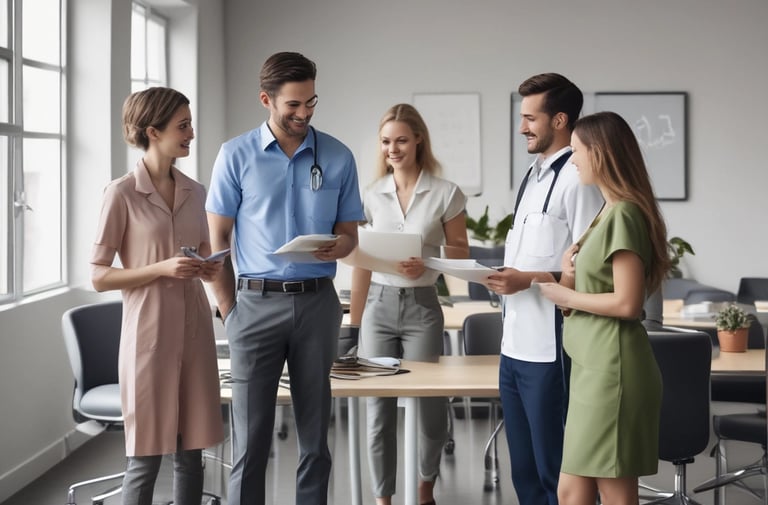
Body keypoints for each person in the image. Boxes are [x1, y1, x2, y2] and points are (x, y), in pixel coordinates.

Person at [205, 51, 364, 505]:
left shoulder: (338, 155)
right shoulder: (235, 155)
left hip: (317, 304)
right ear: (266, 100)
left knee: (315, 437)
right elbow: (217, 241)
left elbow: (350, 236)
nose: (304, 113)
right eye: (293, 105)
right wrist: (230, 311)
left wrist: (339, 246)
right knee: (250, 439)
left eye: (311, 102)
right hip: (253, 306)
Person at [90, 87, 224, 505]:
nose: (191, 134)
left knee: (191, 455)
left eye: (190, 125)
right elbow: (98, 276)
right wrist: (160, 269)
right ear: (153, 131)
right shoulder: (121, 193)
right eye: (183, 126)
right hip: (148, 337)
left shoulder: (196, 192)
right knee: (144, 459)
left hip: (195, 332)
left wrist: (209, 268)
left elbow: (205, 254)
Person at [535, 110, 670, 505]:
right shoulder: (606, 211)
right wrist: (568, 276)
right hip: (592, 368)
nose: (572, 160)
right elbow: (593, 294)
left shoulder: (624, 214)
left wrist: (565, 296)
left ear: (600, 153)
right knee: (571, 491)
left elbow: (628, 303)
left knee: (612, 491)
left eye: (577, 151)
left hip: (613, 373)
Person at [485, 73, 603, 505]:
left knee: (557, 471)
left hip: (552, 346)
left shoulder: (579, 180)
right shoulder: (532, 178)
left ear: (559, 120)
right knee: (525, 471)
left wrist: (528, 279)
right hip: (513, 345)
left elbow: (590, 268)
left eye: (530, 119)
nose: (522, 128)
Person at [348, 103, 469, 505]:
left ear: (418, 139)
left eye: (401, 140)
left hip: (423, 306)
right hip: (379, 306)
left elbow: (461, 253)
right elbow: (362, 262)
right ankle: (383, 498)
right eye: (386, 142)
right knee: (377, 409)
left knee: (430, 405)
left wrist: (428, 262)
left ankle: (424, 487)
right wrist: (355, 323)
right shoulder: (371, 196)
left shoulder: (446, 193)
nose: (393, 149)